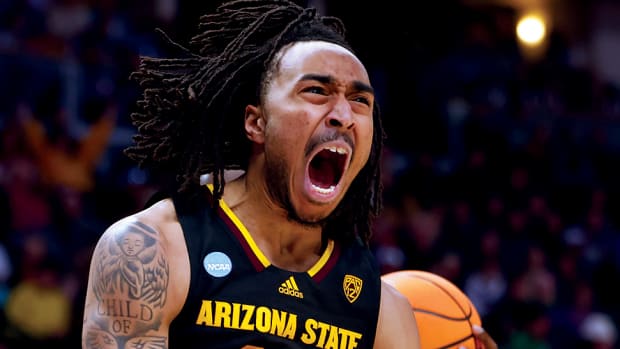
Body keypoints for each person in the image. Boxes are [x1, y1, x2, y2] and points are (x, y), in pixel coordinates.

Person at [80, 1, 493, 348]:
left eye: (360, 101)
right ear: (256, 123)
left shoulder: (382, 309)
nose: (343, 115)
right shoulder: (150, 251)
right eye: (316, 91)